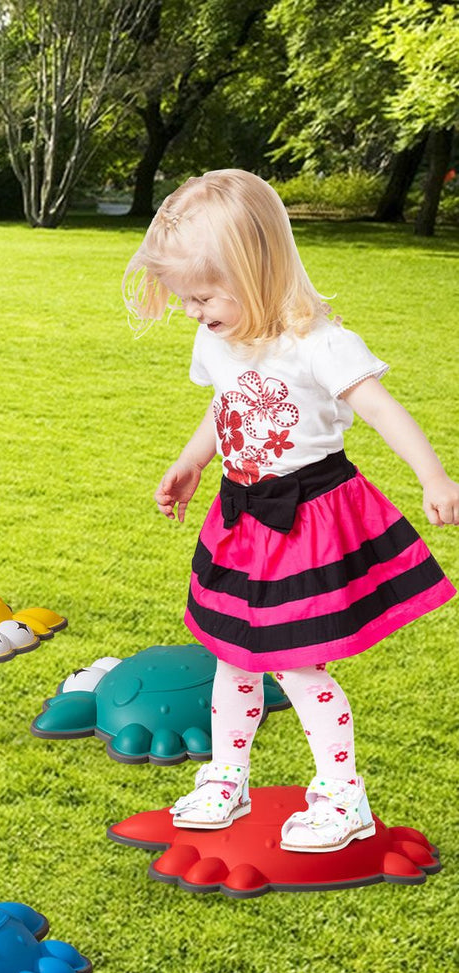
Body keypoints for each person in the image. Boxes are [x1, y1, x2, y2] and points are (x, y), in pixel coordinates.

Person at [126, 169, 457, 853]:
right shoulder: (216, 338)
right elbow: (226, 404)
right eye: (185, 298)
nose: (191, 312)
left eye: (203, 296)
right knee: (232, 657)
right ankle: (228, 778)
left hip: (308, 521)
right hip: (242, 518)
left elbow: (382, 411)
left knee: (299, 665)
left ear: (256, 270)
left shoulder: (318, 343)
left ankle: (342, 796)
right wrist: (193, 462)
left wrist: (433, 477)